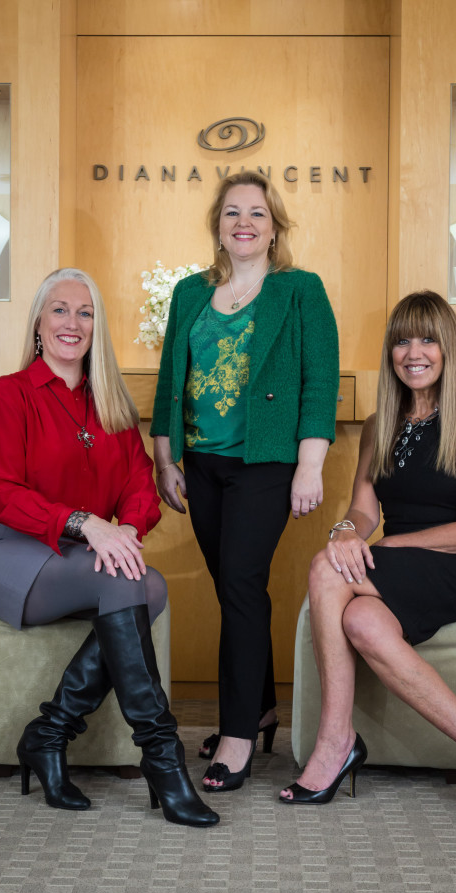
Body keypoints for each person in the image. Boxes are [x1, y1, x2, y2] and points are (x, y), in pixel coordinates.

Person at [0, 267, 219, 828]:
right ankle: (163, 760)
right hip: (1, 551)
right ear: (38, 322)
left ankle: (49, 733)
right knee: (130, 581)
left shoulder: (112, 404)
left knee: (150, 585)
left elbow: (140, 487)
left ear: (97, 327)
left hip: (74, 557)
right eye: (59, 309)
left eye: (86, 312)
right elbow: (0, 492)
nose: (71, 323)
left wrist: (122, 528)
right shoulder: (9, 394)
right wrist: (86, 524)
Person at [280, 290, 456, 825]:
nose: (414, 351)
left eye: (428, 339)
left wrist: (386, 546)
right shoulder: (378, 424)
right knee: (361, 618)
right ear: (391, 352)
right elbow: (362, 510)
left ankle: (335, 741)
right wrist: (344, 533)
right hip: (403, 568)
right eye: (402, 340)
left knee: (324, 569)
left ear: (447, 349)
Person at [151, 171, 340, 792]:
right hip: (201, 464)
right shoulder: (188, 293)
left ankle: (236, 736)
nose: (244, 223)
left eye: (257, 213)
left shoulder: (299, 291)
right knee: (237, 587)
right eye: (232, 213)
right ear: (218, 226)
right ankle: (258, 707)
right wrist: (166, 456)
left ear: (274, 225)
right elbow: (167, 381)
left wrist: (309, 464)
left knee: (238, 581)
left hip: (266, 463)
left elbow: (319, 381)